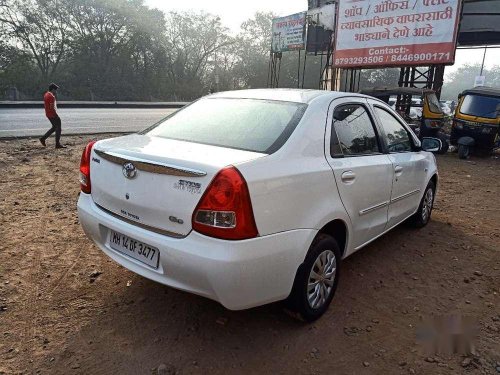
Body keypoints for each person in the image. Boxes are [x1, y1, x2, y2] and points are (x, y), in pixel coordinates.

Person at [40, 83, 66, 148]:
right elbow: (52, 108)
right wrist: (56, 115)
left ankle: (43, 138)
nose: (56, 91)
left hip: (48, 114)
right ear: (53, 89)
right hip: (52, 115)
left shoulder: (46, 94)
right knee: (58, 128)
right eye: (55, 90)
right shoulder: (51, 96)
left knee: (54, 127)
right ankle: (57, 144)